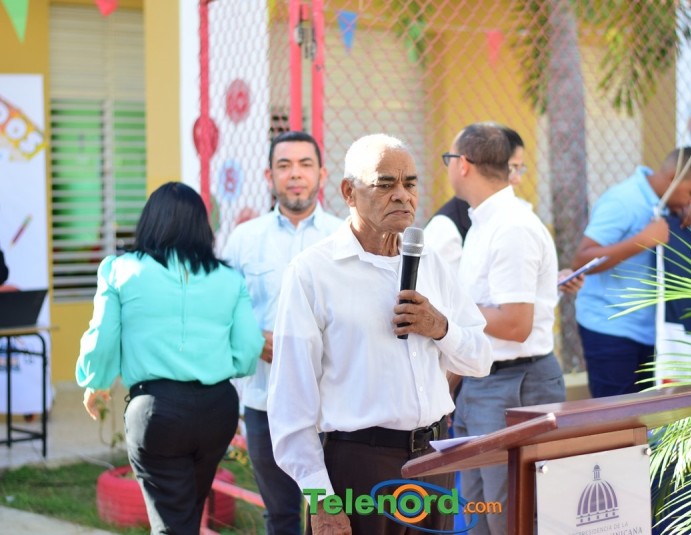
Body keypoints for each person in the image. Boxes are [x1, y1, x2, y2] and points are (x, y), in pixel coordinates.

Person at [267, 133, 493, 535]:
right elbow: (290, 402)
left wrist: (440, 328)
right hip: (361, 466)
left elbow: (480, 358)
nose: (402, 195)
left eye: (410, 183)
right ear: (348, 192)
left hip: (435, 459)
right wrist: (320, 498)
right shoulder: (313, 272)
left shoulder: (431, 262)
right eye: (385, 184)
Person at [75, 182, 263, 534]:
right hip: (218, 408)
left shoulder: (119, 270)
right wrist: (226, 368)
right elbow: (249, 346)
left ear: (149, 221)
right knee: (187, 514)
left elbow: (102, 338)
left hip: (156, 411)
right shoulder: (229, 278)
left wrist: (95, 383)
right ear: (202, 227)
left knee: (172, 524)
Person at [447, 122, 566, 535]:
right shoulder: (485, 222)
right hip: (482, 382)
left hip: (514, 383)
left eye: (448, 159)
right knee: (479, 515)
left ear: (463, 164)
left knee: (510, 517)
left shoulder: (512, 226)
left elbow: (515, 324)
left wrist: (445, 315)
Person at [223, 130, 343, 535]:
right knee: (281, 516)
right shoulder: (244, 239)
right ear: (268, 175)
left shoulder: (344, 237)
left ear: (322, 174)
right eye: (284, 165)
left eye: (305, 165)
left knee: (333, 514)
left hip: (333, 405)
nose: (295, 174)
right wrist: (255, 339)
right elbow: (225, 311)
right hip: (265, 401)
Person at [572, 147, 691, 398]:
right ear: (672, 178)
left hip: (652, 331)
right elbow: (582, 260)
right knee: (617, 417)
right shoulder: (623, 201)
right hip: (610, 329)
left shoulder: (668, 205)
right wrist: (642, 240)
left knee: (646, 416)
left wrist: (685, 221)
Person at [425, 126, 584, 293]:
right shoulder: (450, 225)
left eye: (519, 168)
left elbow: (514, 301)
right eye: (512, 167)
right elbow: (442, 295)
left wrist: (548, 280)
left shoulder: (513, 223)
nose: (517, 179)